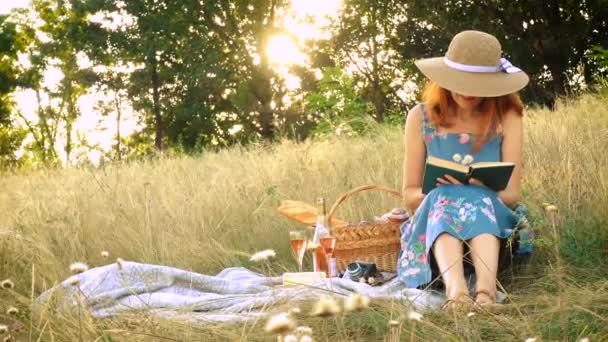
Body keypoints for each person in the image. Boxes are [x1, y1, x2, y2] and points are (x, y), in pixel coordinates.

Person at [398, 30, 534, 310]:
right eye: (460, 81)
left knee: (476, 196)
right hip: (435, 237)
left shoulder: (507, 117)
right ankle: (457, 294)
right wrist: (442, 193)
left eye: (478, 84)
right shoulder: (420, 117)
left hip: (494, 234)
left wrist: (478, 187)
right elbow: (409, 197)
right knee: (444, 195)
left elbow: (510, 196)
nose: (467, 91)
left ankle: (485, 294)